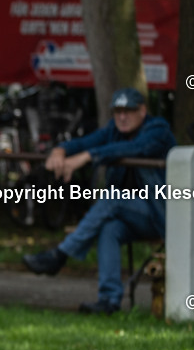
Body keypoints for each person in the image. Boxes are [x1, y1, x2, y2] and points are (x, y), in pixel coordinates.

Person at [22, 88, 177, 315]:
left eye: (129, 111)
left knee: (112, 199)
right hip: (130, 214)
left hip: (161, 214)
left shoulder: (158, 130)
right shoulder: (114, 130)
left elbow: (134, 149)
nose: (122, 117)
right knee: (109, 228)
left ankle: (60, 255)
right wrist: (60, 150)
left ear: (143, 111)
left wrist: (87, 157)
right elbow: (85, 142)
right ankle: (109, 300)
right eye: (118, 112)